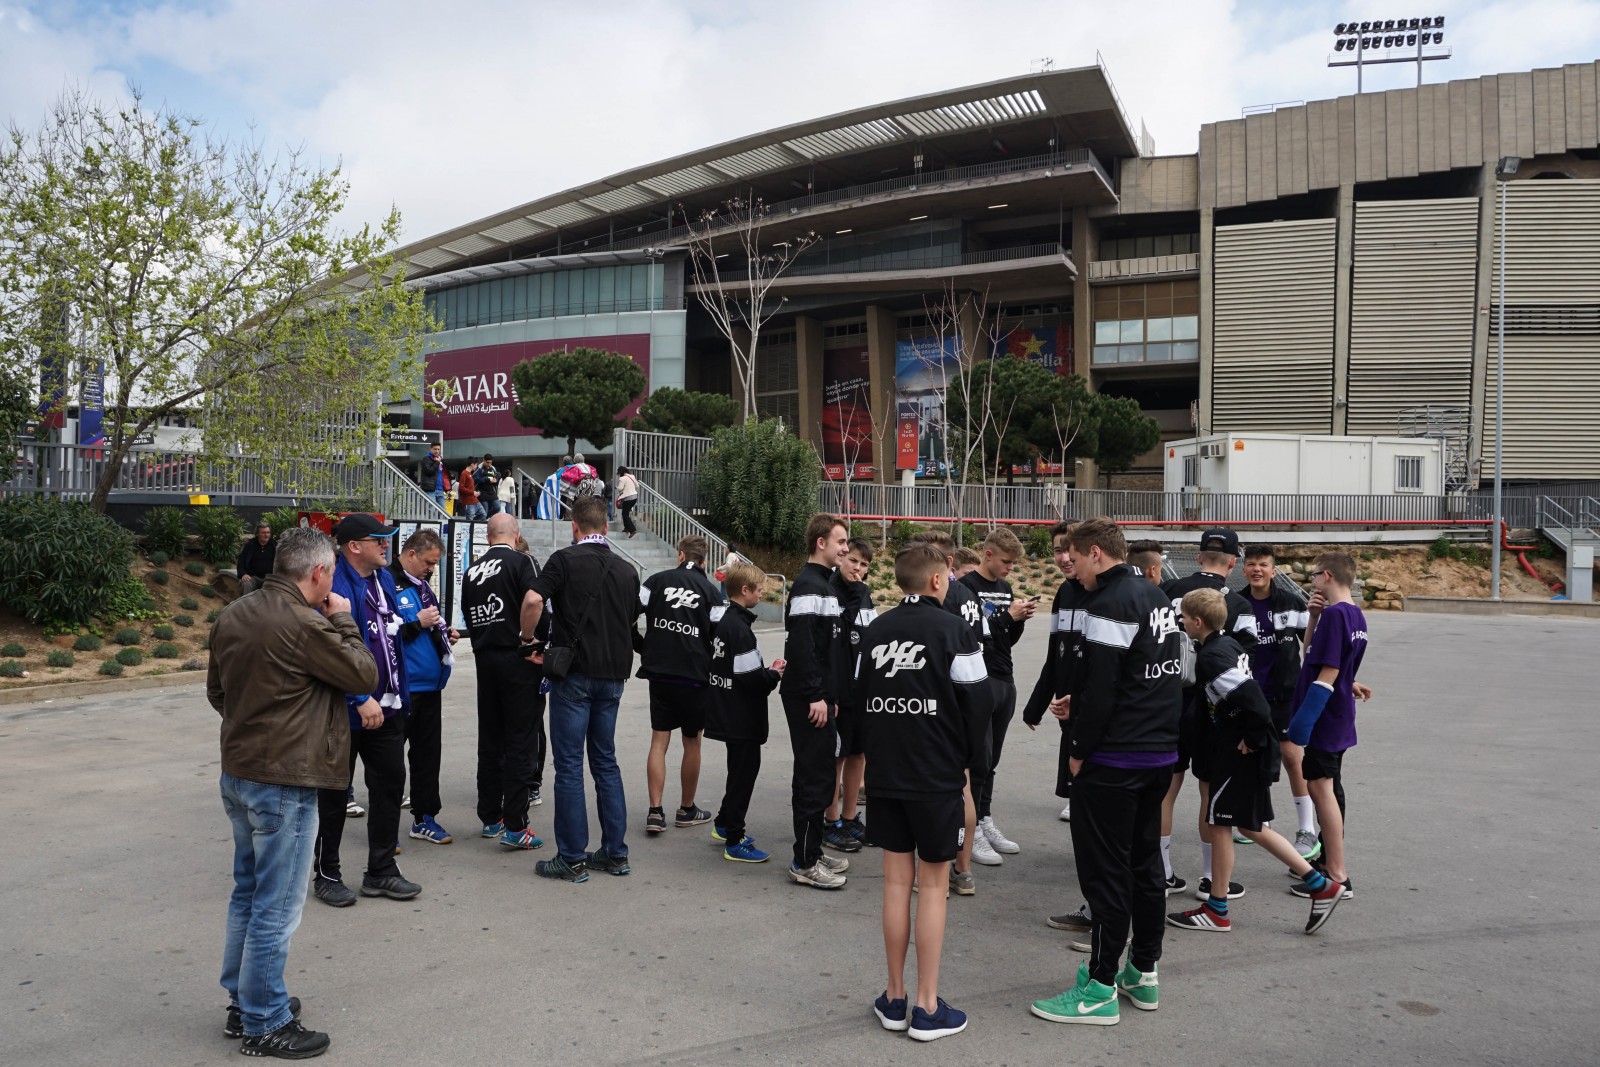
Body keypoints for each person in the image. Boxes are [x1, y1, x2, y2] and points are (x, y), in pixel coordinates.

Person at [209, 527, 376, 1058]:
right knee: (276, 906)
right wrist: (344, 617)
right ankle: (264, 1020)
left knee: (249, 893)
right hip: (285, 779)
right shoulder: (305, 622)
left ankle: (245, 1002)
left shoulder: (235, 612)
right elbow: (362, 673)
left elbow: (218, 691)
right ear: (319, 574)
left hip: (241, 772)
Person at [1030, 517, 1182, 1027]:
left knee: (1105, 875)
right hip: (1157, 754)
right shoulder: (1156, 597)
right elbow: (1154, 676)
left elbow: (1102, 686)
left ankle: (1099, 987)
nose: (1071, 565)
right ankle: (1143, 970)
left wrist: (1078, 749)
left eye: (1075, 556)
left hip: (1115, 760)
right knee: (1146, 869)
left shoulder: (1106, 603)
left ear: (1096, 553)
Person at [862, 543, 993, 1042]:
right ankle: (926, 1005)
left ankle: (894, 998)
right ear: (939, 581)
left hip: (886, 773)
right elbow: (979, 701)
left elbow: (860, 696)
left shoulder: (875, 630)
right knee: (933, 886)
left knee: (896, 884)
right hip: (937, 775)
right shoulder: (954, 630)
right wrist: (964, 757)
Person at [1165, 588, 1341, 934]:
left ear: (1197, 622)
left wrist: (1254, 737)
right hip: (1237, 752)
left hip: (1236, 755)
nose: (1181, 621)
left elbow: (1255, 703)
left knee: (1221, 826)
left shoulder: (1212, 657)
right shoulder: (1225, 644)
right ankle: (1321, 886)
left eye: (1184, 617)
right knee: (1249, 826)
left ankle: (1217, 910)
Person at [524, 497, 641, 883]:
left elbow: (533, 598)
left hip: (574, 675)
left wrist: (528, 639)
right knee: (605, 761)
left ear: (575, 527)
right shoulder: (627, 570)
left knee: (570, 765)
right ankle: (614, 853)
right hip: (613, 676)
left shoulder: (563, 560)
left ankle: (572, 857)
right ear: (606, 527)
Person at [312, 514, 419, 908]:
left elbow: (387, 635)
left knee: (390, 785)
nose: (387, 545)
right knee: (335, 795)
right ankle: (327, 874)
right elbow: (330, 650)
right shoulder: (335, 586)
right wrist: (359, 697)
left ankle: (381, 870)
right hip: (346, 710)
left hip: (387, 708)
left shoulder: (385, 579)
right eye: (380, 539)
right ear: (354, 546)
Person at [1158, 527, 1258, 900]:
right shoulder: (1241, 606)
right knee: (1209, 792)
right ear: (1233, 563)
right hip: (1213, 710)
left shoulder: (1168, 591)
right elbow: (1249, 664)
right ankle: (1208, 877)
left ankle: (1162, 871)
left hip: (1169, 701)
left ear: (1199, 557)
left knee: (1166, 788)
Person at [1285, 551, 1369, 917]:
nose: (1312, 581)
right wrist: (1312, 617)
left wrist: (1302, 723)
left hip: (1325, 718)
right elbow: (1312, 653)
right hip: (1338, 715)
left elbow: (1329, 671)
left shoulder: (1336, 615)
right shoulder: (1353, 614)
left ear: (1328, 576)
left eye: (1316, 575)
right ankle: (1333, 869)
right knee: (1329, 787)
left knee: (1321, 789)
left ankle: (1337, 875)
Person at [461, 513, 550, 850]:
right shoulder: (523, 561)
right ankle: (516, 824)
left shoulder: (471, 571)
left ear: (487, 537)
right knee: (521, 740)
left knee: (491, 736)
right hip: (518, 657)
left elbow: (468, 613)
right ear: (516, 535)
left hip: (486, 656)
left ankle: (490, 816)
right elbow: (535, 600)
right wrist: (530, 638)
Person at [907, 530, 984, 894]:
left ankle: (937, 866)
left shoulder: (942, 602)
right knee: (964, 786)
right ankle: (963, 868)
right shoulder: (969, 592)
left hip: (946, 706)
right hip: (980, 684)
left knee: (947, 789)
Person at [636, 535, 727, 834]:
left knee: (659, 741)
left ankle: (654, 812)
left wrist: (643, 646)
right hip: (695, 677)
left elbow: (627, 612)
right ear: (703, 562)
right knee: (692, 741)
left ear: (680, 555)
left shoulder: (656, 581)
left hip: (659, 671)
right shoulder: (713, 593)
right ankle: (687, 810)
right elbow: (722, 637)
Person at [781, 513, 851, 889]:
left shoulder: (824, 585)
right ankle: (804, 862)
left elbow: (827, 651)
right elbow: (804, 647)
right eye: (841, 542)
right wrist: (816, 696)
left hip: (822, 698)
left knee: (820, 776)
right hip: (809, 699)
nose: (845, 548)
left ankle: (812, 849)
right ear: (821, 542)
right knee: (814, 778)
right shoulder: (810, 586)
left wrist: (832, 696)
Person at [960, 527, 1036, 865]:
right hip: (979, 678)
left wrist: (1018, 620)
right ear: (987, 554)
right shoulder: (964, 589)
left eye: (1014, 564)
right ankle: (968, 828)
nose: (1009, 569)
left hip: (1004, 677)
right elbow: (973, 635)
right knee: (977, 757)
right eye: (1006, 562)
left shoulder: (1005, 588)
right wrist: (1007, 618)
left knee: (993, 759)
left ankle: (984, 818)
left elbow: (1005, 639)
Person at [1240, 544, 1318, 859]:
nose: (1257, 569)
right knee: (1251, 756)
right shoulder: (1236, 604)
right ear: (1243, 569)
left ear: (1274, 570)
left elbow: (1311, 644)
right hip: (1248, 696)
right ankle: (1260, 819)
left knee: (1291, 758)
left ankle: (1306, 829)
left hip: (1284, 695)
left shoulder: (1290, 603)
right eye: (1251, 564)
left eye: (1263, 564)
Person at [705, 560, 784, 863]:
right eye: (760, 589)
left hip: (728, 712)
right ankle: (734, 840)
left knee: (737, 772)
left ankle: (724, 824)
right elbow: (753, 681)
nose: (762, 593)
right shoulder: (741, 630)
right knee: (743, 776)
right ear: (745, 590)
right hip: (741, 717)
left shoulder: (727, 622)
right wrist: (775, 673)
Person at [388, 529, 458, 846]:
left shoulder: (422, 585)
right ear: (412, 554)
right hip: (400, 688)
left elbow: (426, 625)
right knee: (388, 761)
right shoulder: (386, 582)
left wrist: (443, 633)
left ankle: (425, 818)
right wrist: (418, 623)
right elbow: (382, 635)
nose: (431, 569)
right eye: (429, 562)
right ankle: (384, 826)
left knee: (427, 757)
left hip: (430, 687)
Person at [823, 536, 876, 852]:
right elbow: (837, 637)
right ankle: (831, 821)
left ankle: (850, 816)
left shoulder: (864, 593)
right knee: (837, 756)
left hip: (862, 691)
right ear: (841, 558)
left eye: (864, 564)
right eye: (853, 560)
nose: (857, 568)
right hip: (838, 691)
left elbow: (868, 639)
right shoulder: (830, 591)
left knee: (858, 753)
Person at [236, 523, 277, 595]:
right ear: (257, 534)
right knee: (245, 584)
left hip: (269, 578)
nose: (266, 535)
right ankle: (247, 605)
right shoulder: (250, 545)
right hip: (252, 577)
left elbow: (281, 562)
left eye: (268, 532)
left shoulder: (275, 545)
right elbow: (241, 561)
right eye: (263, 533)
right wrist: (244, 574)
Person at [418, 442, 447, 512]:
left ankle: (443, 523)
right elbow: (429, 471)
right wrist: (437, 462)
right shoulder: (426, 459)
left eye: (438, 449)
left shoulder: (440, 460)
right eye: (435, 449)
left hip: (440, 489)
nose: (437, 451)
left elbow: (443, 474)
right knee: (432, 511)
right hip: (430, 489)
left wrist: (446, 487)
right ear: (430, 449)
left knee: (443, 512)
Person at [615, 466, 639, 538]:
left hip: (628, 498)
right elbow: (637, 486)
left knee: (625, 514)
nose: (619, 474)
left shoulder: (622, 478)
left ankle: (632, 529)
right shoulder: (632, 476)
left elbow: (620, 488)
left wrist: (617, 487)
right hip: (634, 497)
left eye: (619, 473)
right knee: (625, 512)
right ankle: (626, 528)